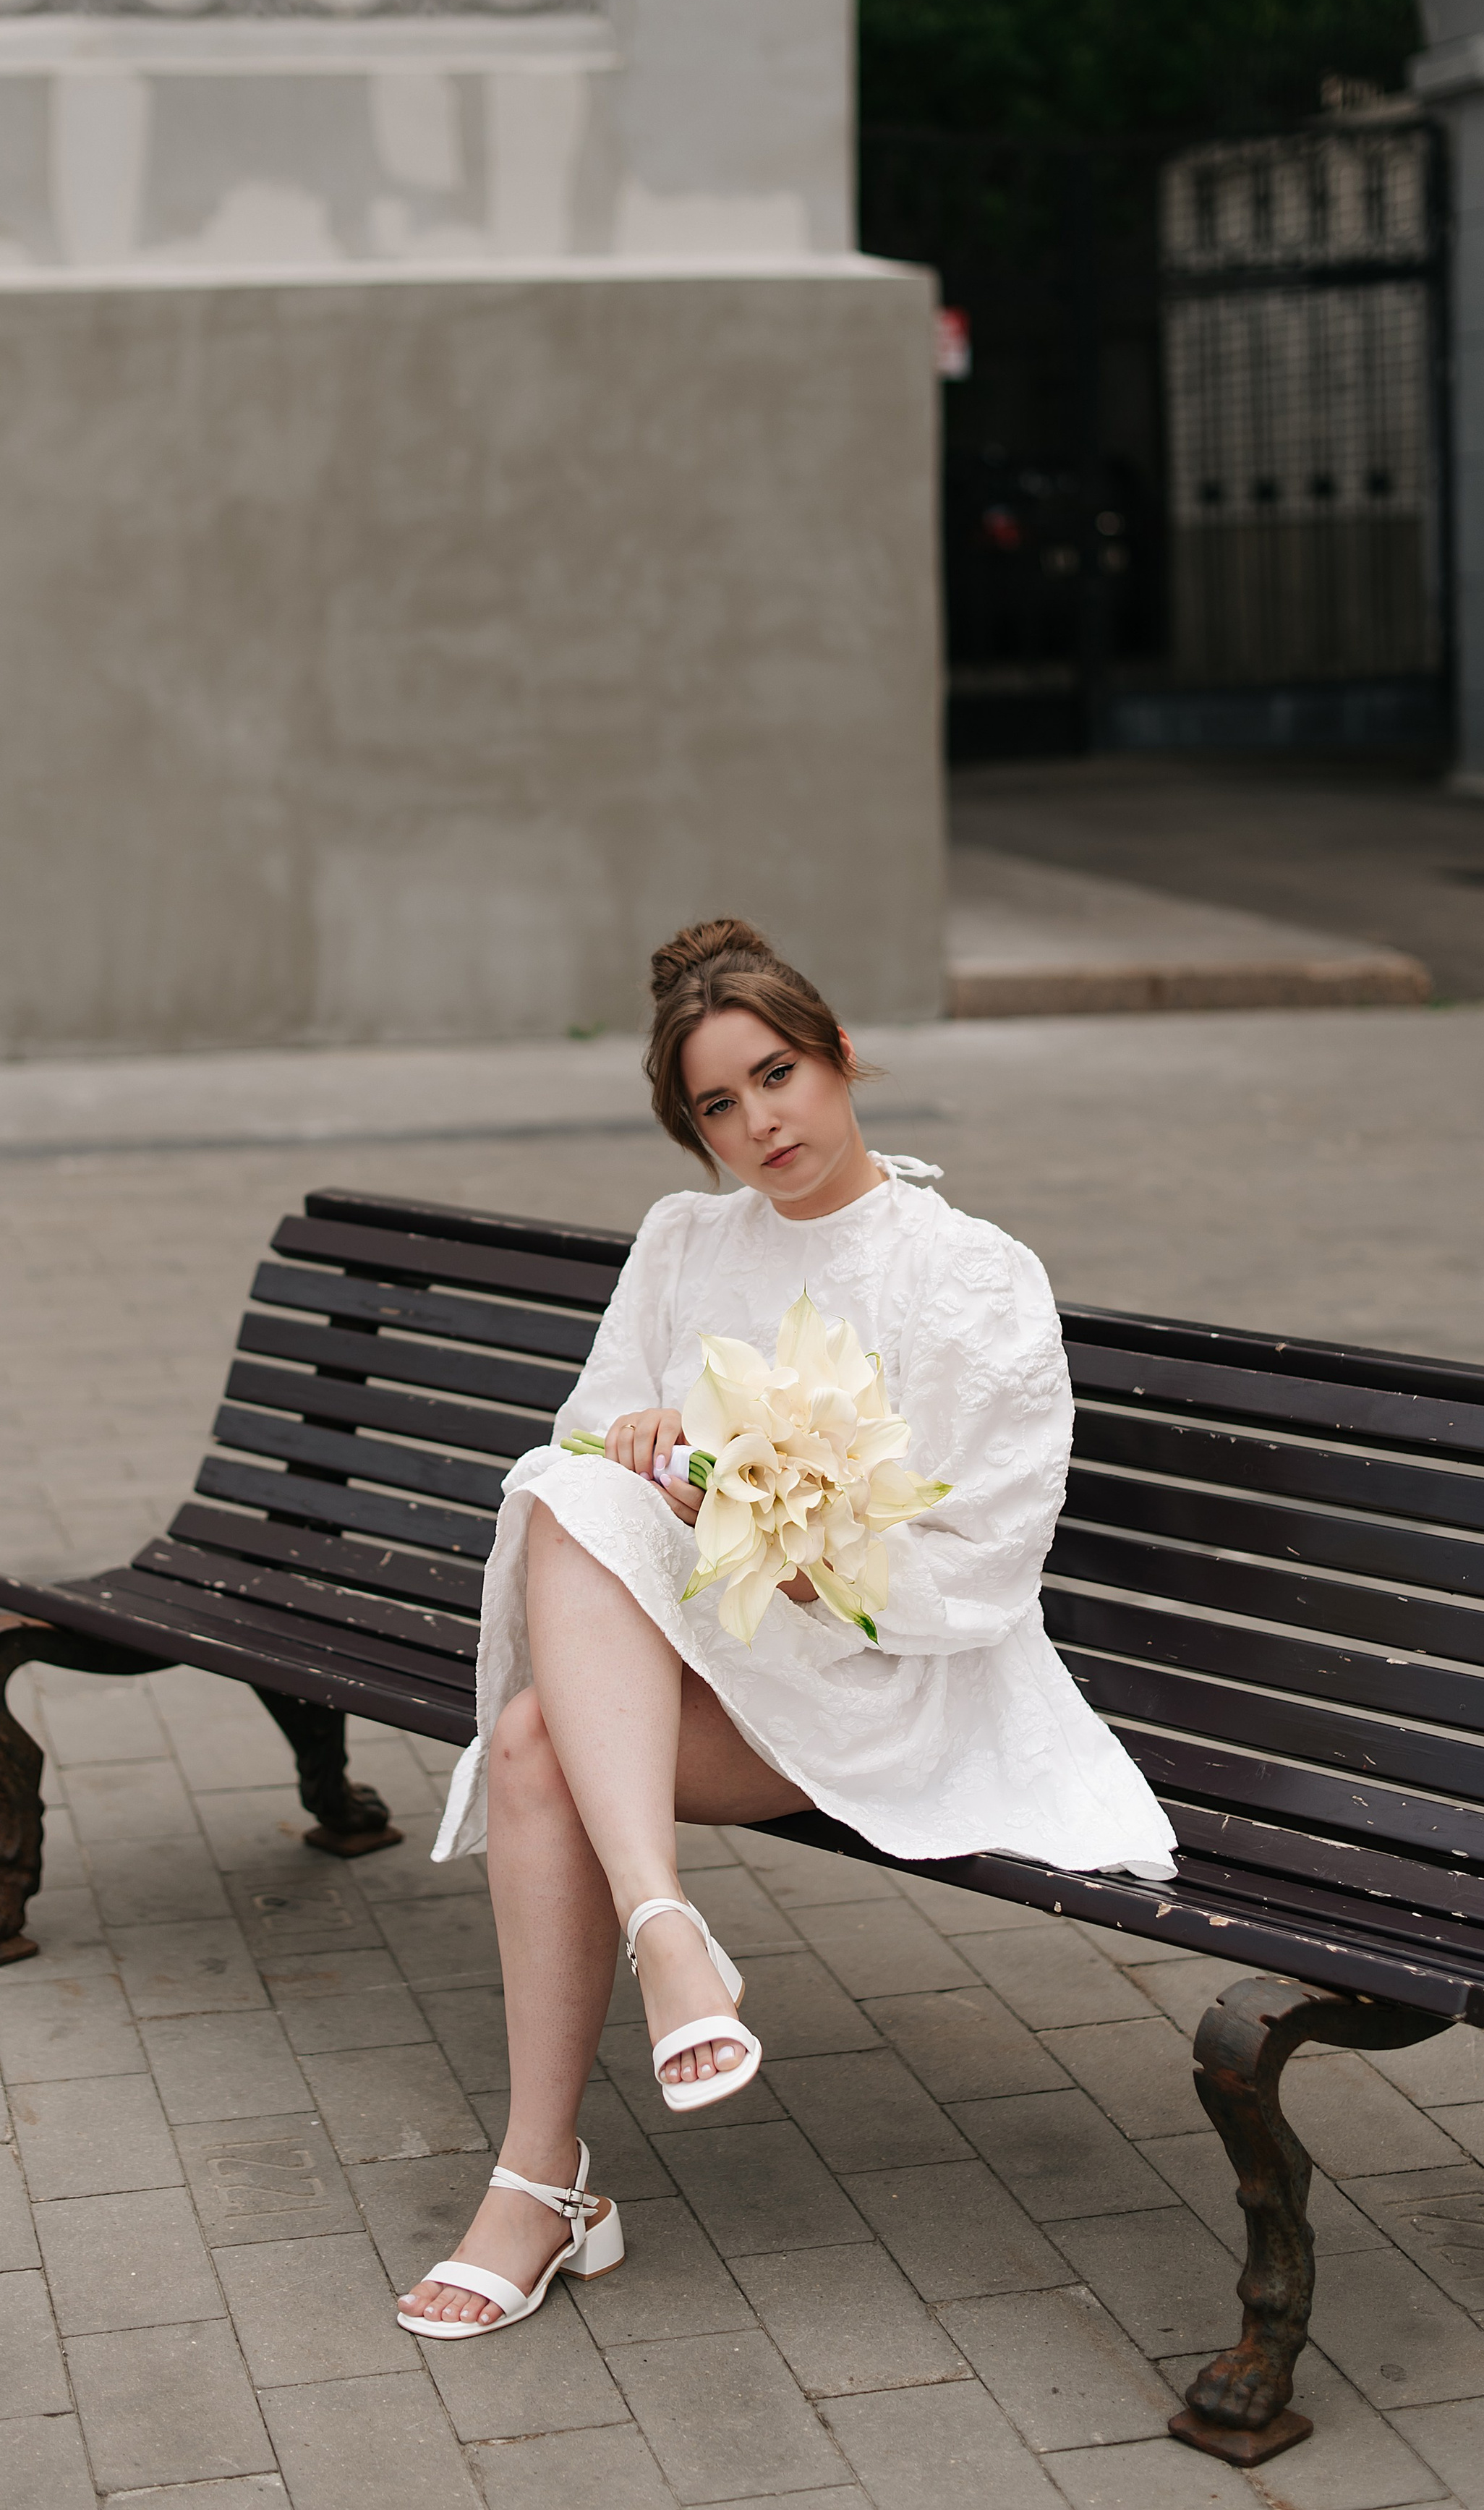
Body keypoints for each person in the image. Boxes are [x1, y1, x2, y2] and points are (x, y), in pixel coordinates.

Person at [396, 917, 1177, 2336]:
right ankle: (645, 1967)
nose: (758, 1121)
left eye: (775, 1074)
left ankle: (554, 2166)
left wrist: (834, 1568)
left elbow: (990, 1555)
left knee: (533, 1745)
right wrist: (638, 1438)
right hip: (706, 1650)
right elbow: (587, 1446)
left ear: (833, 1055)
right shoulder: (684, 1240)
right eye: (715, 1102)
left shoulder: (966, 1274)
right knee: (555, 1578)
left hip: (882, 1667)